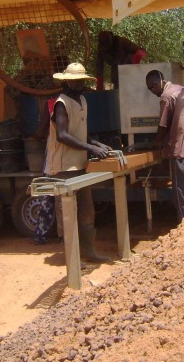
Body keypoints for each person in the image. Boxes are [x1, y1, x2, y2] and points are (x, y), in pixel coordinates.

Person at [42, 63, 113, 261]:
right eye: (74, 80)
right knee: (68, 214)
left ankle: (89, 251)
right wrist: (91, 148)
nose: (78, 83)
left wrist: (94, 142)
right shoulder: (61, 103)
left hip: (80, 165)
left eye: (80, 80)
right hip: (64, 167)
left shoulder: (82, 100)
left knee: (86, 210)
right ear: (66, 81)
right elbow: (63, 135)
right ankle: (73, 259)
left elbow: (79, 131)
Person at [145, 69, 184, 221]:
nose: (152, 90)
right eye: (149, 88)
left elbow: (163, 125)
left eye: (153, 85)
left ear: (161, 80)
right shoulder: (183, 90)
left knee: (183, 191)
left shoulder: (166, 97)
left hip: (180, 151)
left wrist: (156, 142)